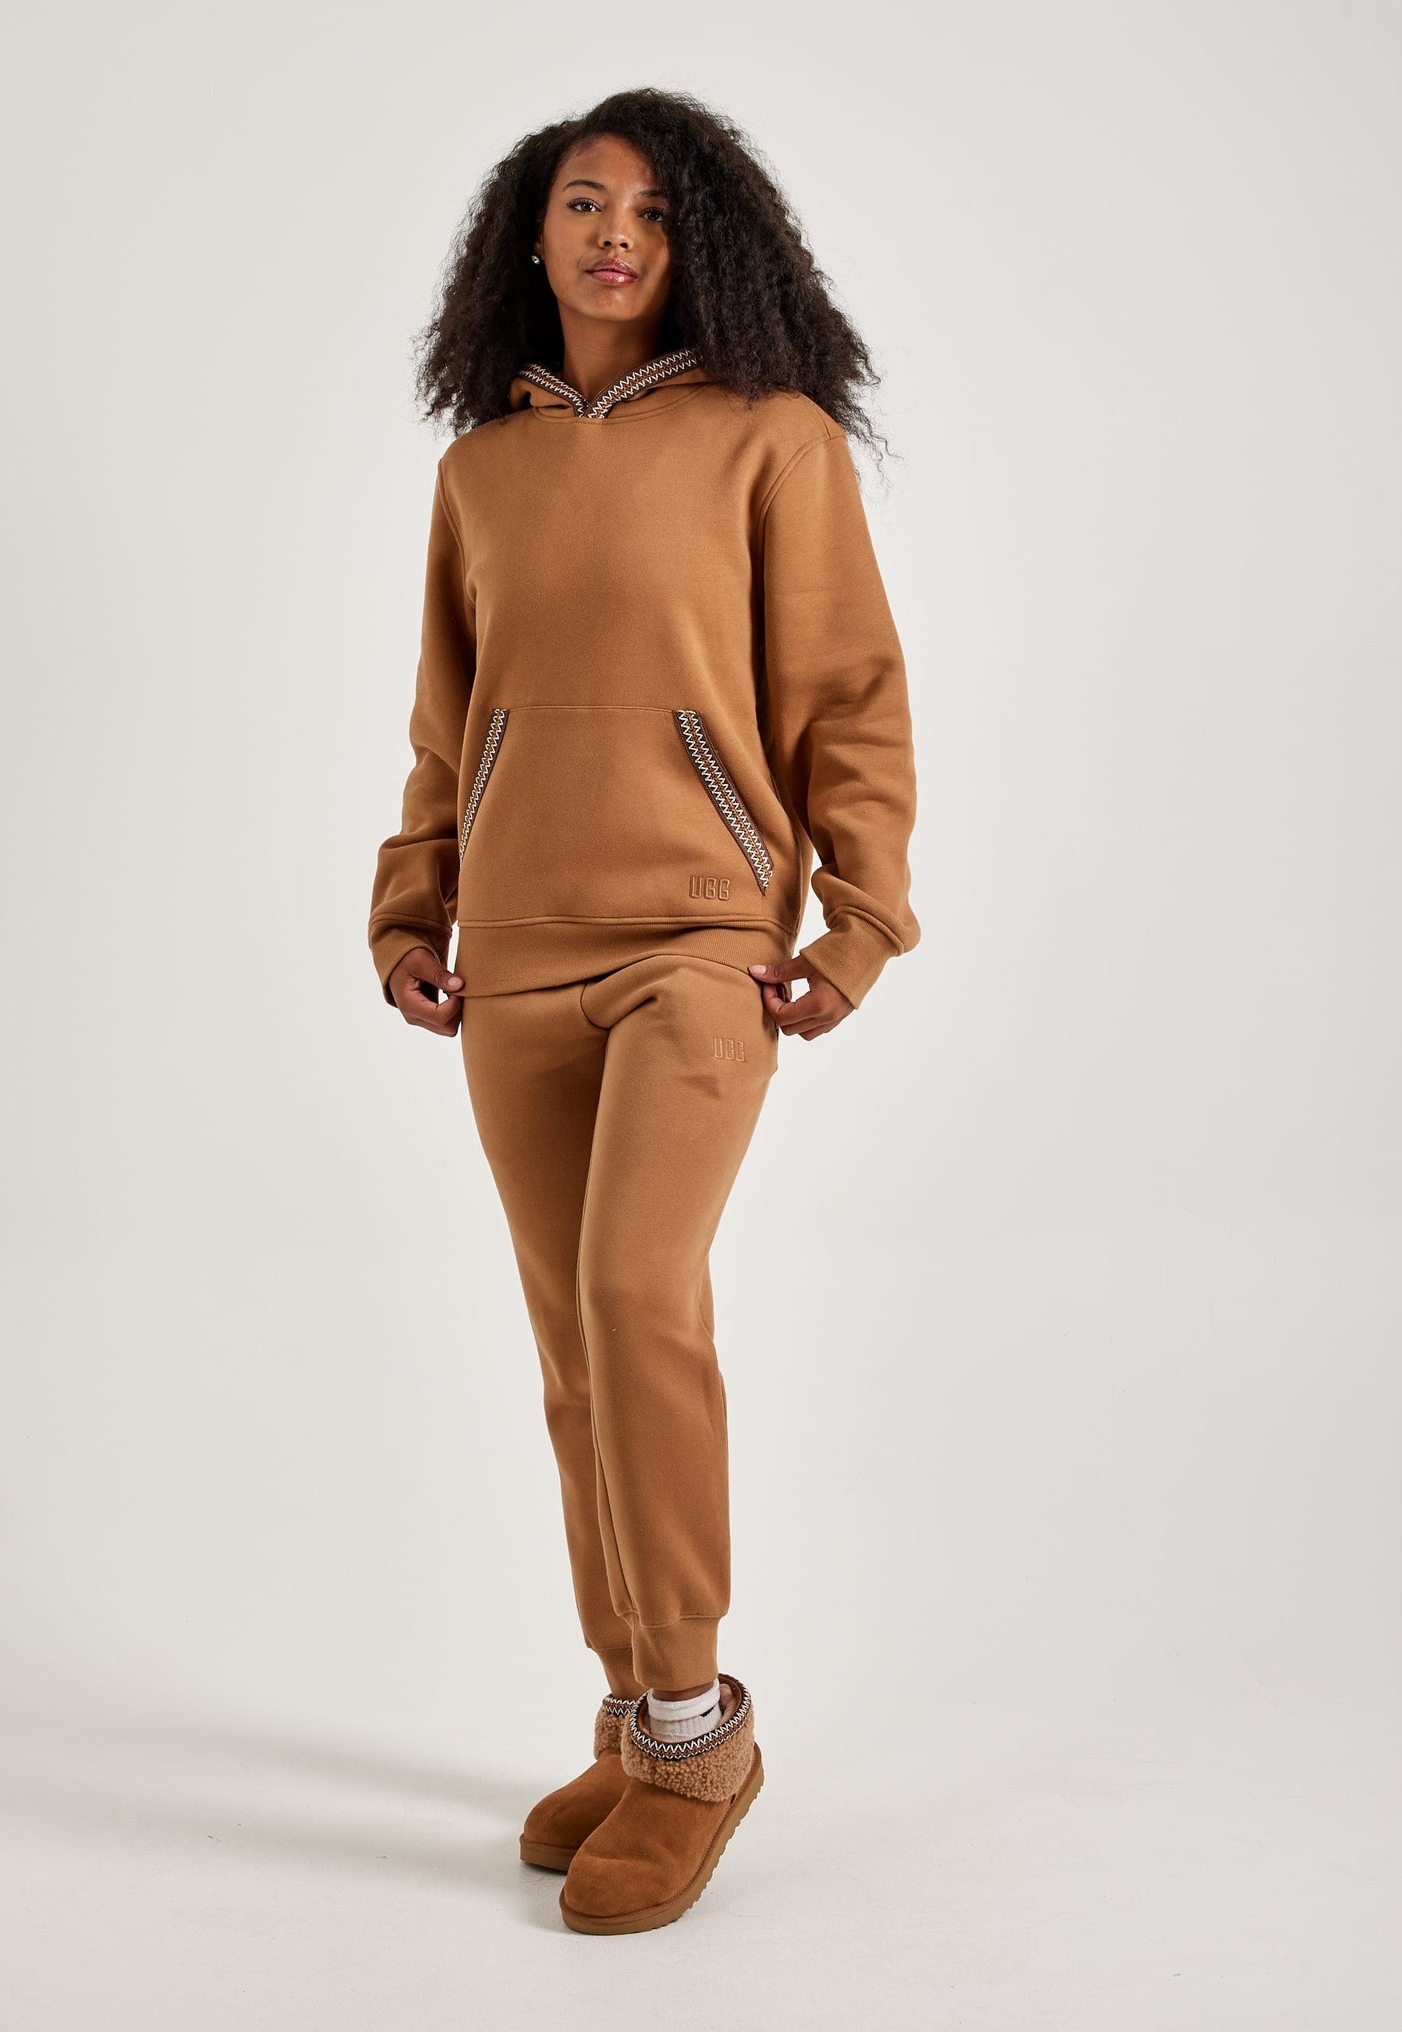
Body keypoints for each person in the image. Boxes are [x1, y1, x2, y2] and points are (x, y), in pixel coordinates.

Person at [367, 85, 920, 1934]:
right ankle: (632, 1710)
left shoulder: (773, 439)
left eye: (658, 212)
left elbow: (849, 689)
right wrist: (411, 905)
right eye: (585, 203)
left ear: (705, 246)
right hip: (513, 955)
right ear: (528, 238)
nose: (618, 235)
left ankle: (698, 1736)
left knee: (634, 1292)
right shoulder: (481, 475)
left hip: (700, 946)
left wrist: (859, 921)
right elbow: (448, 721)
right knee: (572, 1354)